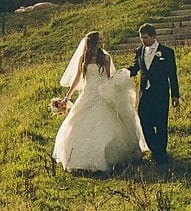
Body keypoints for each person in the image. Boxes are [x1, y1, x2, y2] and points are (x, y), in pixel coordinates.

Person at [49, 30, 148, 172]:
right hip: (88, 93)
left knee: (106, 122)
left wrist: (111, 91)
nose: (101, 43)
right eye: (98, 40)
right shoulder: (84, 58)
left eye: (101, 40)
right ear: (91, 43)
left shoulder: (106, 57)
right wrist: (67, 97)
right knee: (76, 123)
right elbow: (77, 78)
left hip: (102, 93)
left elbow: (109, 78)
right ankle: (77, 159)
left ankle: (108, 157)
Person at [126, 23, 180, 161]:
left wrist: (175, 95)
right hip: (145, 92)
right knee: (144, 119)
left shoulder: (167, 52)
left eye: (146, 37)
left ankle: (161, 153)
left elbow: (172, 74)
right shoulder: (139, 51)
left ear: (154, 37)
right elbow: (135, 68)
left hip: (161, 93)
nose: (143, 40)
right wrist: (122, 74)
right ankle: (154, 147)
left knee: (161, 122)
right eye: (141, 38)